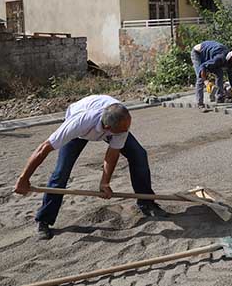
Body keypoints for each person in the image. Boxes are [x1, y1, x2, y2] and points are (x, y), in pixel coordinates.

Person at [13, 95, 160, 240]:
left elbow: (112, 154)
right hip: (80, 131)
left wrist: (104, 183)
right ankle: (43, 220)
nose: (126, 131)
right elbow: (44, 148)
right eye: (122, 130)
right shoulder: (79, 123)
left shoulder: (122, 121)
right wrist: (24, 178)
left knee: (139, 155)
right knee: (61, 171)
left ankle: (146, 202)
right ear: (108, 129)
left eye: (126, 128)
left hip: (109, 121)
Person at [191, 41, 232, 107]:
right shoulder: (220, 58)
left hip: (209, 56)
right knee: (200, 78)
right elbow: (203, 66)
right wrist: (206, 81)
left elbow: (231, 75)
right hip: (198, 53)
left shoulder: (231, 62)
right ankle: (200, 103)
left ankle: (220, 97)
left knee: (220, 74)